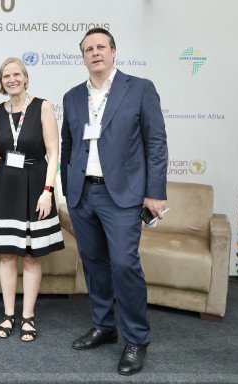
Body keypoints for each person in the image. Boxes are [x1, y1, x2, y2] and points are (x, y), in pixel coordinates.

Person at [61, 28, 168, 375]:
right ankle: (104, 326)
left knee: (124, 265)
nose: (95, 53)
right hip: (82, 194)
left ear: (113, 51)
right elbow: (67, 145)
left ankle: (136, 339)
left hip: (121, 195)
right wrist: (68, 188)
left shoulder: (140, 89)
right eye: (88, 49)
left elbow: (156, 142)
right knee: (94, 264)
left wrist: (154, 193)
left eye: (101, 47)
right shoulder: (72, 96)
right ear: (83, 57)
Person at [0, 57, 65, 342]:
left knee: (30, 255)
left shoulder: (43, 107)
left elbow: (53, 152)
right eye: (6, 76)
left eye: (17, 74)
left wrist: (48, 191)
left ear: (26, 78)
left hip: (35, 185)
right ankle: (8, 314)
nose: (12, 79)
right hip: (4, 186)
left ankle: (28, 316)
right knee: (6, 254)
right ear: (1, 82)